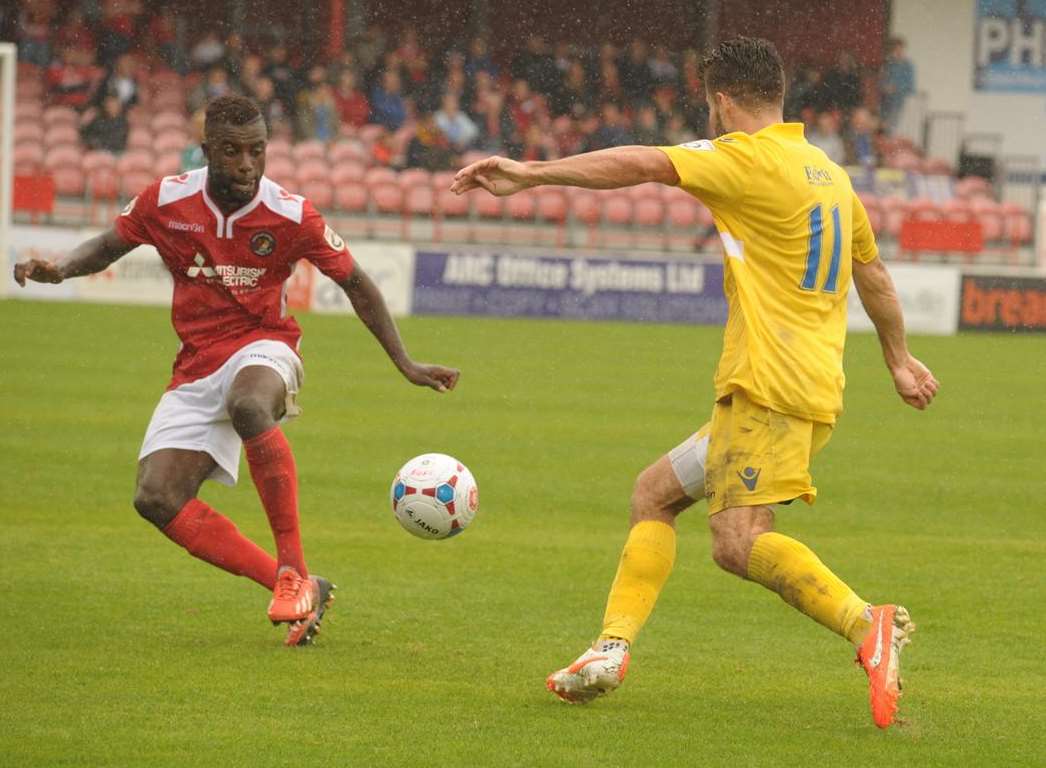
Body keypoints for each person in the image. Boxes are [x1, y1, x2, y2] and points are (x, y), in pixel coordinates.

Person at [451, 37, 938, 729]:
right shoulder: (828, 172)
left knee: (737, 542)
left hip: (768, 388)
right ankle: (610, 649)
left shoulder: (745, 155)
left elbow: (643, 162)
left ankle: (868, 624)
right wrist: (898, 358)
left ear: (722, 101)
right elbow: (876, 276)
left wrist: (531, 173)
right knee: (654, 493)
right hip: (800, 385)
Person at [15, 96, 460, 647]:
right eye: (232, 152)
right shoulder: (167, 199)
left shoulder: (292, 214)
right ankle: (297, 586)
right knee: (156, 499)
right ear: (207, 152)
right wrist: (59, 269)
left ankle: (293, 568)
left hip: (266, 348)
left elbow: (357, 284)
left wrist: (405, 362)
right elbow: (109, 245)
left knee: (249, 404)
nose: (247, 164)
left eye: (257, 151)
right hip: (197, 365)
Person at [880, 38, 915, 134]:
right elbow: (881, 82)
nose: (898, 51)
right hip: (885, 101)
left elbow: (911, 87)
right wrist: (884, 87)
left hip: (899, 102)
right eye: (896, 49)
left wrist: (896, 88)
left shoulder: (908, 66)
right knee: (882, 128)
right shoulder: (888, 63)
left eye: (901, 49)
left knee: (893, 128)